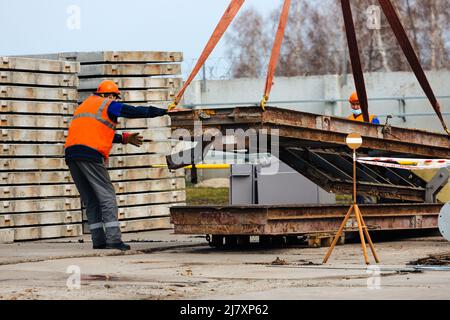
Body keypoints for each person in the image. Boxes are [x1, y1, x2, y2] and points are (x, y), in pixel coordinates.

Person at [64, 80, 178, 251]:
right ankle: (114, 239)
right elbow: (133, 111)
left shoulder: (84, 106)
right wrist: (163, 111)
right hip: (90, 154)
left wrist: (124, 138)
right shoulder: (107, 104)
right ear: (109, 95)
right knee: (107, 196)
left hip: (72, 154)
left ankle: (99, 241)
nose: (116, 101)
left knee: (91, 199)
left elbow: (96, 131)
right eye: (115, 97)